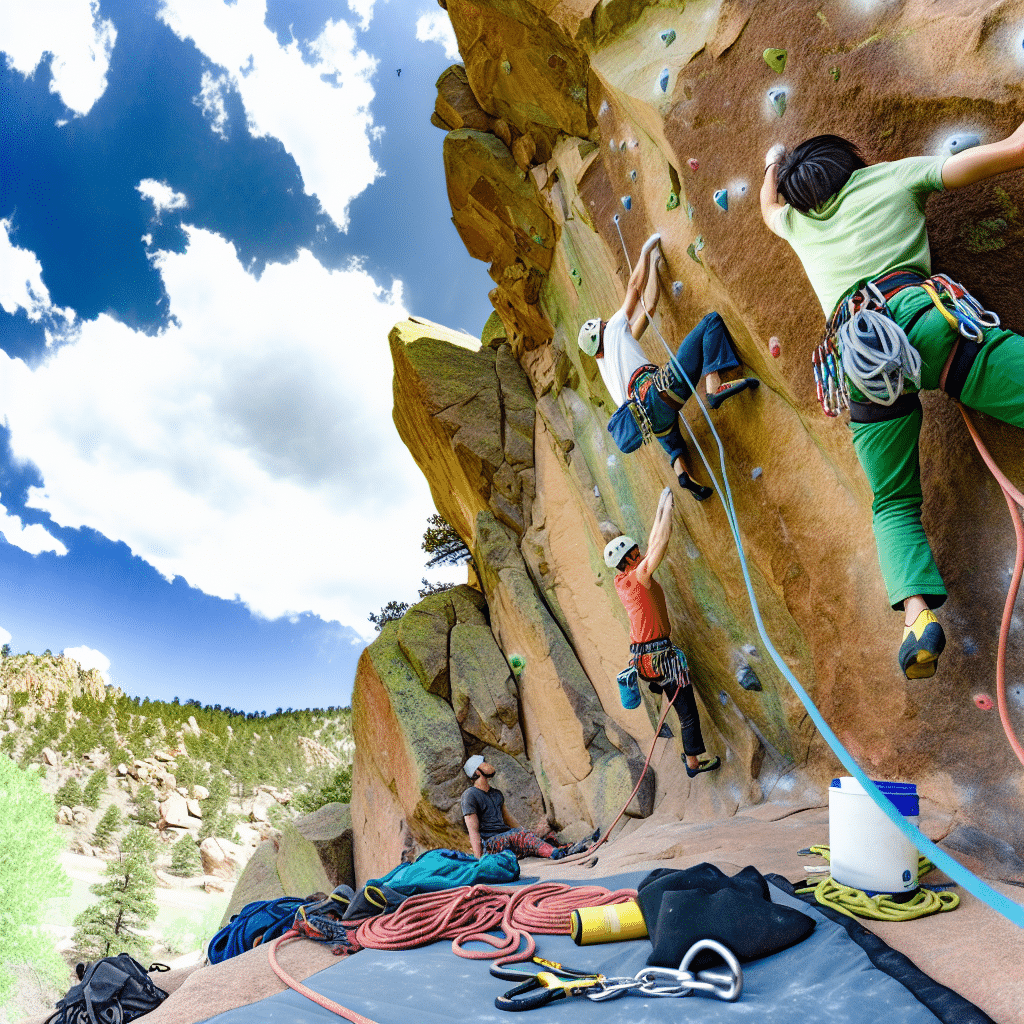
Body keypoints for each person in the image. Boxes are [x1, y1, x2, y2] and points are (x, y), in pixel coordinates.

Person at [761, 127, 1024, 680]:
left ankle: (915, 616)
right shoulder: (888, 177)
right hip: (925, 326)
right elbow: (1004, 155)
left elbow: (767, 206)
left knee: (892, 503)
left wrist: (771, 163)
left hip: (861, 364)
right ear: (851, 161)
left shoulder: (796, 223)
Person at [578, 232, 759, 501]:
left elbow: (649, 307)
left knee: (673, 443)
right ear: (602, 328)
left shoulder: (608, 367)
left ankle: (683, 474)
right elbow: (634, 290)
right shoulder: (613, 330)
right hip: (658, 389)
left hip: (654, 419)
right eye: (604, 323)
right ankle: (714, 387)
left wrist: (654, 264)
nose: (608, 321)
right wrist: (645, 251)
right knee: (711, 322)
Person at [606, 487, 721, 778]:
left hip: (644, 659)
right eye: (636, 552)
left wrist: (660, 507)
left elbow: (652, 541)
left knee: (677, 700)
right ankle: (693, 763)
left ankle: (687, 748)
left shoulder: (623, 580)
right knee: (687, 711)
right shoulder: (640, 576)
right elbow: (661, 543)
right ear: (631, 558)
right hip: (660, 658)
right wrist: (668, 510)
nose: (641, 552)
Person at [460, 756, 599, 860]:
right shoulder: (470, 795)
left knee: (545, 837)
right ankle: (556, 854)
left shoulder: (496, 794)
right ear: (476, 772)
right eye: (483, 763)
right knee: (519, 836)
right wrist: (479, 862)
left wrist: (528, 833)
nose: (488, 764)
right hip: (491, 845)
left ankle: (575, 847)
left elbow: (509, 819)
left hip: (509, 839)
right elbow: (473, 831)